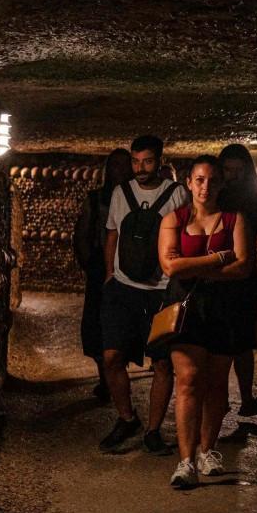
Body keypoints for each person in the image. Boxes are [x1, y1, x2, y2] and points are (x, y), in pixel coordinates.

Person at [158, 155, 254, 487]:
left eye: (212, 180)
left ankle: (207, 450)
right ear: (189, 182)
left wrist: (190, 264)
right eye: (199, 179)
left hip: (224, 310)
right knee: (188, 379)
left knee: (216, 385)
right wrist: (215, 260)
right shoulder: (173, 219)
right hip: (186, 310)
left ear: (221, 184)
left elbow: (244, 267)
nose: (205, 186)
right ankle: (186, 462)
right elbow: (170, 269)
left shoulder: (234, 219)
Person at [98, 134, 188, 454]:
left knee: (161, 364)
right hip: (123, 288)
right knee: (111, 357)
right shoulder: (121, 193)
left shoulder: (178, 195)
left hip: (161, 291)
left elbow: (188, 237)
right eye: (136, 161)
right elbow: (112, 232)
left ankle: (152, 431)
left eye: (147, 161)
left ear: (159, 161)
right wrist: (110, 273)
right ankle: (127, 418)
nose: (140, 168)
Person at [217, 143, 257, 417]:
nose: (233, 176)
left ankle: (246, 398)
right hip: (216, 275)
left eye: (238, 170)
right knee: (218, 341)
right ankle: (221, 399)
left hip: (244, 278)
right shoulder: (214, 196)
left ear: (247, 170)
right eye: (228, 170)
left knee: (242, 341)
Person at [72, 148, 132, 400]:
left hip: (129, 269)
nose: (119, 170)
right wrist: (90, 264)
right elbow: (82, 234)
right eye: (115, 166)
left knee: (124, 325)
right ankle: (105, 378)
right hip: (100, 270)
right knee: (97, 324)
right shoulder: (96, 200)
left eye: (123, 166)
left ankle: (116, 375)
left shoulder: (137, 199)